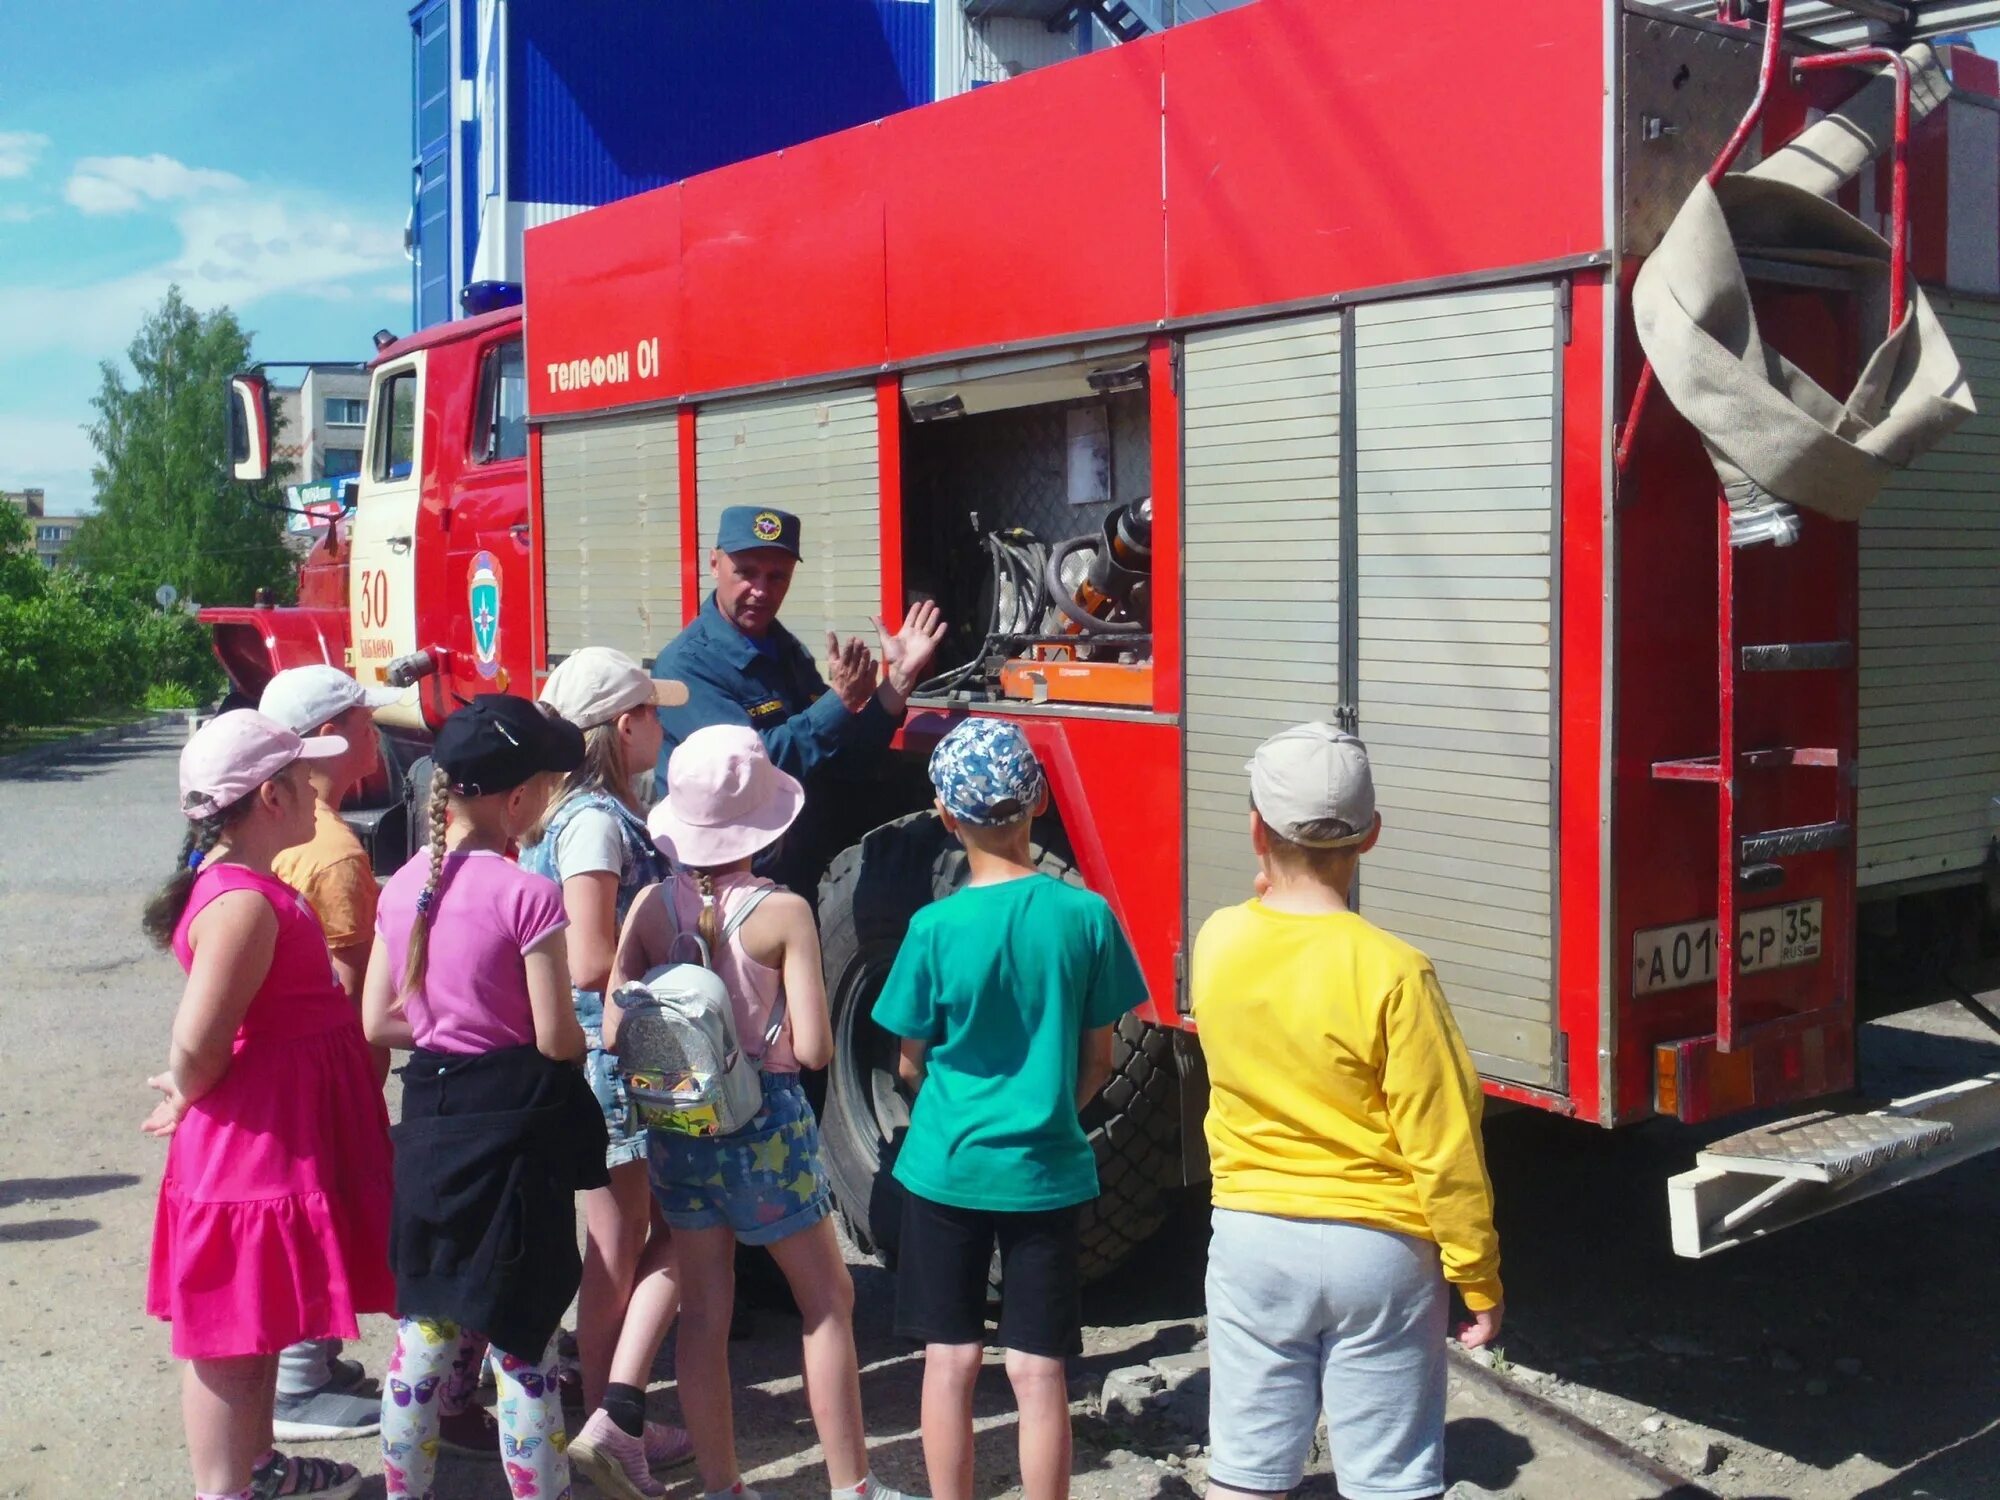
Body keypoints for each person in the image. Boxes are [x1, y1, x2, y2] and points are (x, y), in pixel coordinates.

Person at [1190, 724, 1504, 1500]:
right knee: (1389, 1479)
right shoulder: (1397, 973)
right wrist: (1479, 1276)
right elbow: (1445, 1141)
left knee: (1247, 1470)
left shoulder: (1217, 939)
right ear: (1371, 838)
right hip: (1382, 1252)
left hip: (1254, 1236)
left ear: (1256, 831)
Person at [607, 725, 918, 1500]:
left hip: (682, 1126)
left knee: (705, 1314)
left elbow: (614, 1024)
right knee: (827, 1303)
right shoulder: (781, 913)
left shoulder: (650, 905)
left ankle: (722, 1487)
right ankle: (851, 1486)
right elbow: (813, 1048)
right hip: (766, 1127)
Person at [872, 718, 1145, 1500]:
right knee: (1037, 1367)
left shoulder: (932, 927)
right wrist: (1050, 1110)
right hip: (1046, 1171)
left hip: (946, 1167)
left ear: (946, 816)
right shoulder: (1086, 917)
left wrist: (958, 1111)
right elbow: (1099, 1058)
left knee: (950, 1358)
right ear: (1040, 803)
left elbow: (908, 1060)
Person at [140, 710, 396, 1500]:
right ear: (271, 798)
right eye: (302, 777)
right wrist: (187, 1084)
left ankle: (258, 1468)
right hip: (250, 1150)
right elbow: (197, 1036)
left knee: (257, 1328)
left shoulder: (251, 887)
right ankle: (226, 1489)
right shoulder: (244, 903)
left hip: (274, 1139)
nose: (321, 791)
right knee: (228, 1344)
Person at [360, 694, 607, 1500]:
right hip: (514, 1142)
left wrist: (445, 1029)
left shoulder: (399, 889)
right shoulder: (527, 896)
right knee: (524, 1348)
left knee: (422, 1338)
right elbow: (553, 1037)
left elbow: (377, 1018)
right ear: (517, 799)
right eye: (545, 784)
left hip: (432, 1125)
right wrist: (598, 1033)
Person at [522, 647, 697, 1496]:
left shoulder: (588, 812)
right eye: (654, 714)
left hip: (611, 1054)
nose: (662, 728)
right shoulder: (593, 821)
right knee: (622, 1246)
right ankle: (608, 1418)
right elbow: (591, 957)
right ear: (625, 725)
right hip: (614, 1058)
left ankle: (607, 1410)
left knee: (629, 1241)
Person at [652, 504, 948, 894]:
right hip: (725, 885)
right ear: (713, 564)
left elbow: (842, 756)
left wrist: (897, 682)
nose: (760, 590)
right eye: (745, 572)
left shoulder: (784, 650)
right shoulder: (687, 665)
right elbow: (746, 770)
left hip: (795, 866)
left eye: (777, 576)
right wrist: (836, 705)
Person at [255, 665, 403, 1445]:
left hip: (274, 1065)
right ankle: (298, 1385)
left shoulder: (273, 830)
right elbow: (349, 1000)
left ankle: (308, 1365)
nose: (374, 735)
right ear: (331, 739)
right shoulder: (338, 853)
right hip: (325, 1074)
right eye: (363, 721)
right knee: (325, 1209)